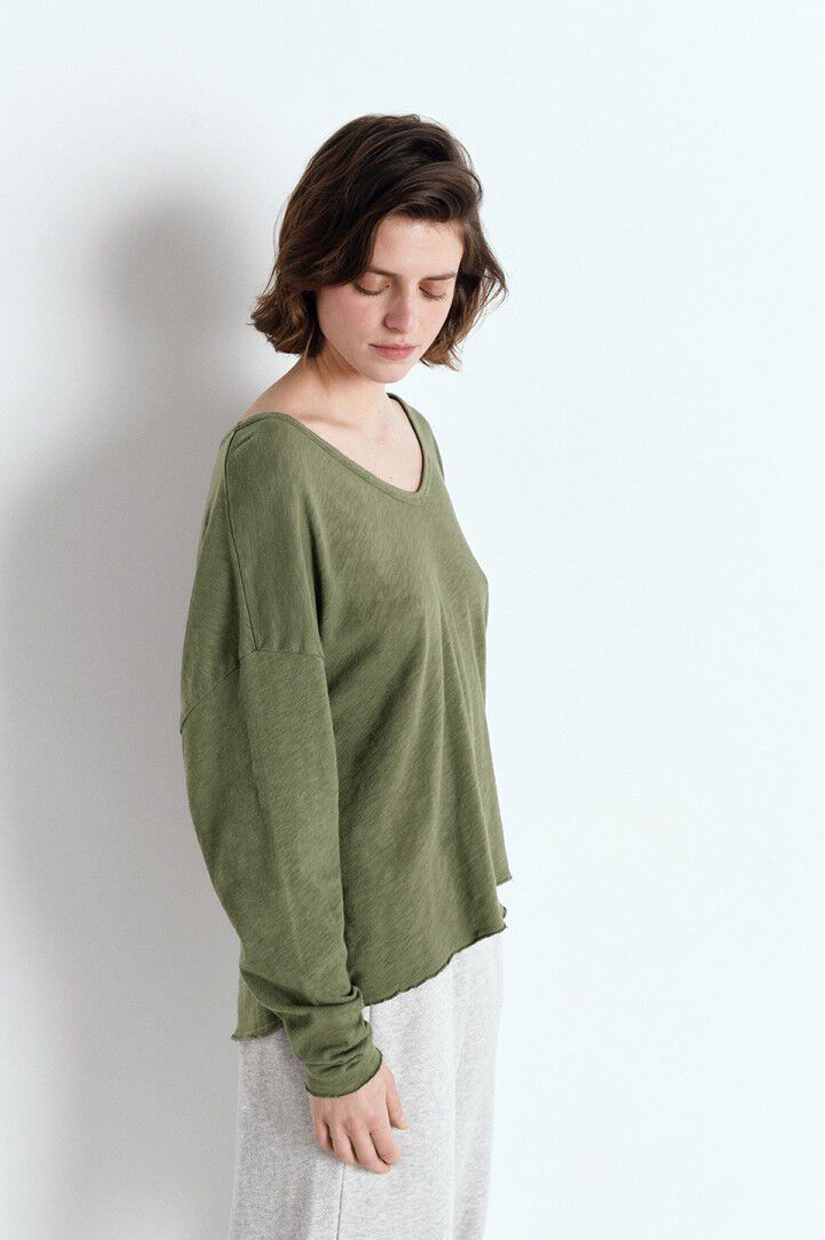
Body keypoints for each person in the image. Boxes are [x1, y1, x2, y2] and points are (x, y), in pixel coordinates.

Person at [178, 112, 513, 1239]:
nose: (405, 318)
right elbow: (259, 768)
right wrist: (331, 1038)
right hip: (354, 980)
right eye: (373, 284)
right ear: (315, 270)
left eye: (435, 287)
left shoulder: (407, 428)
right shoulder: (274, 467)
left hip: (452, 933)